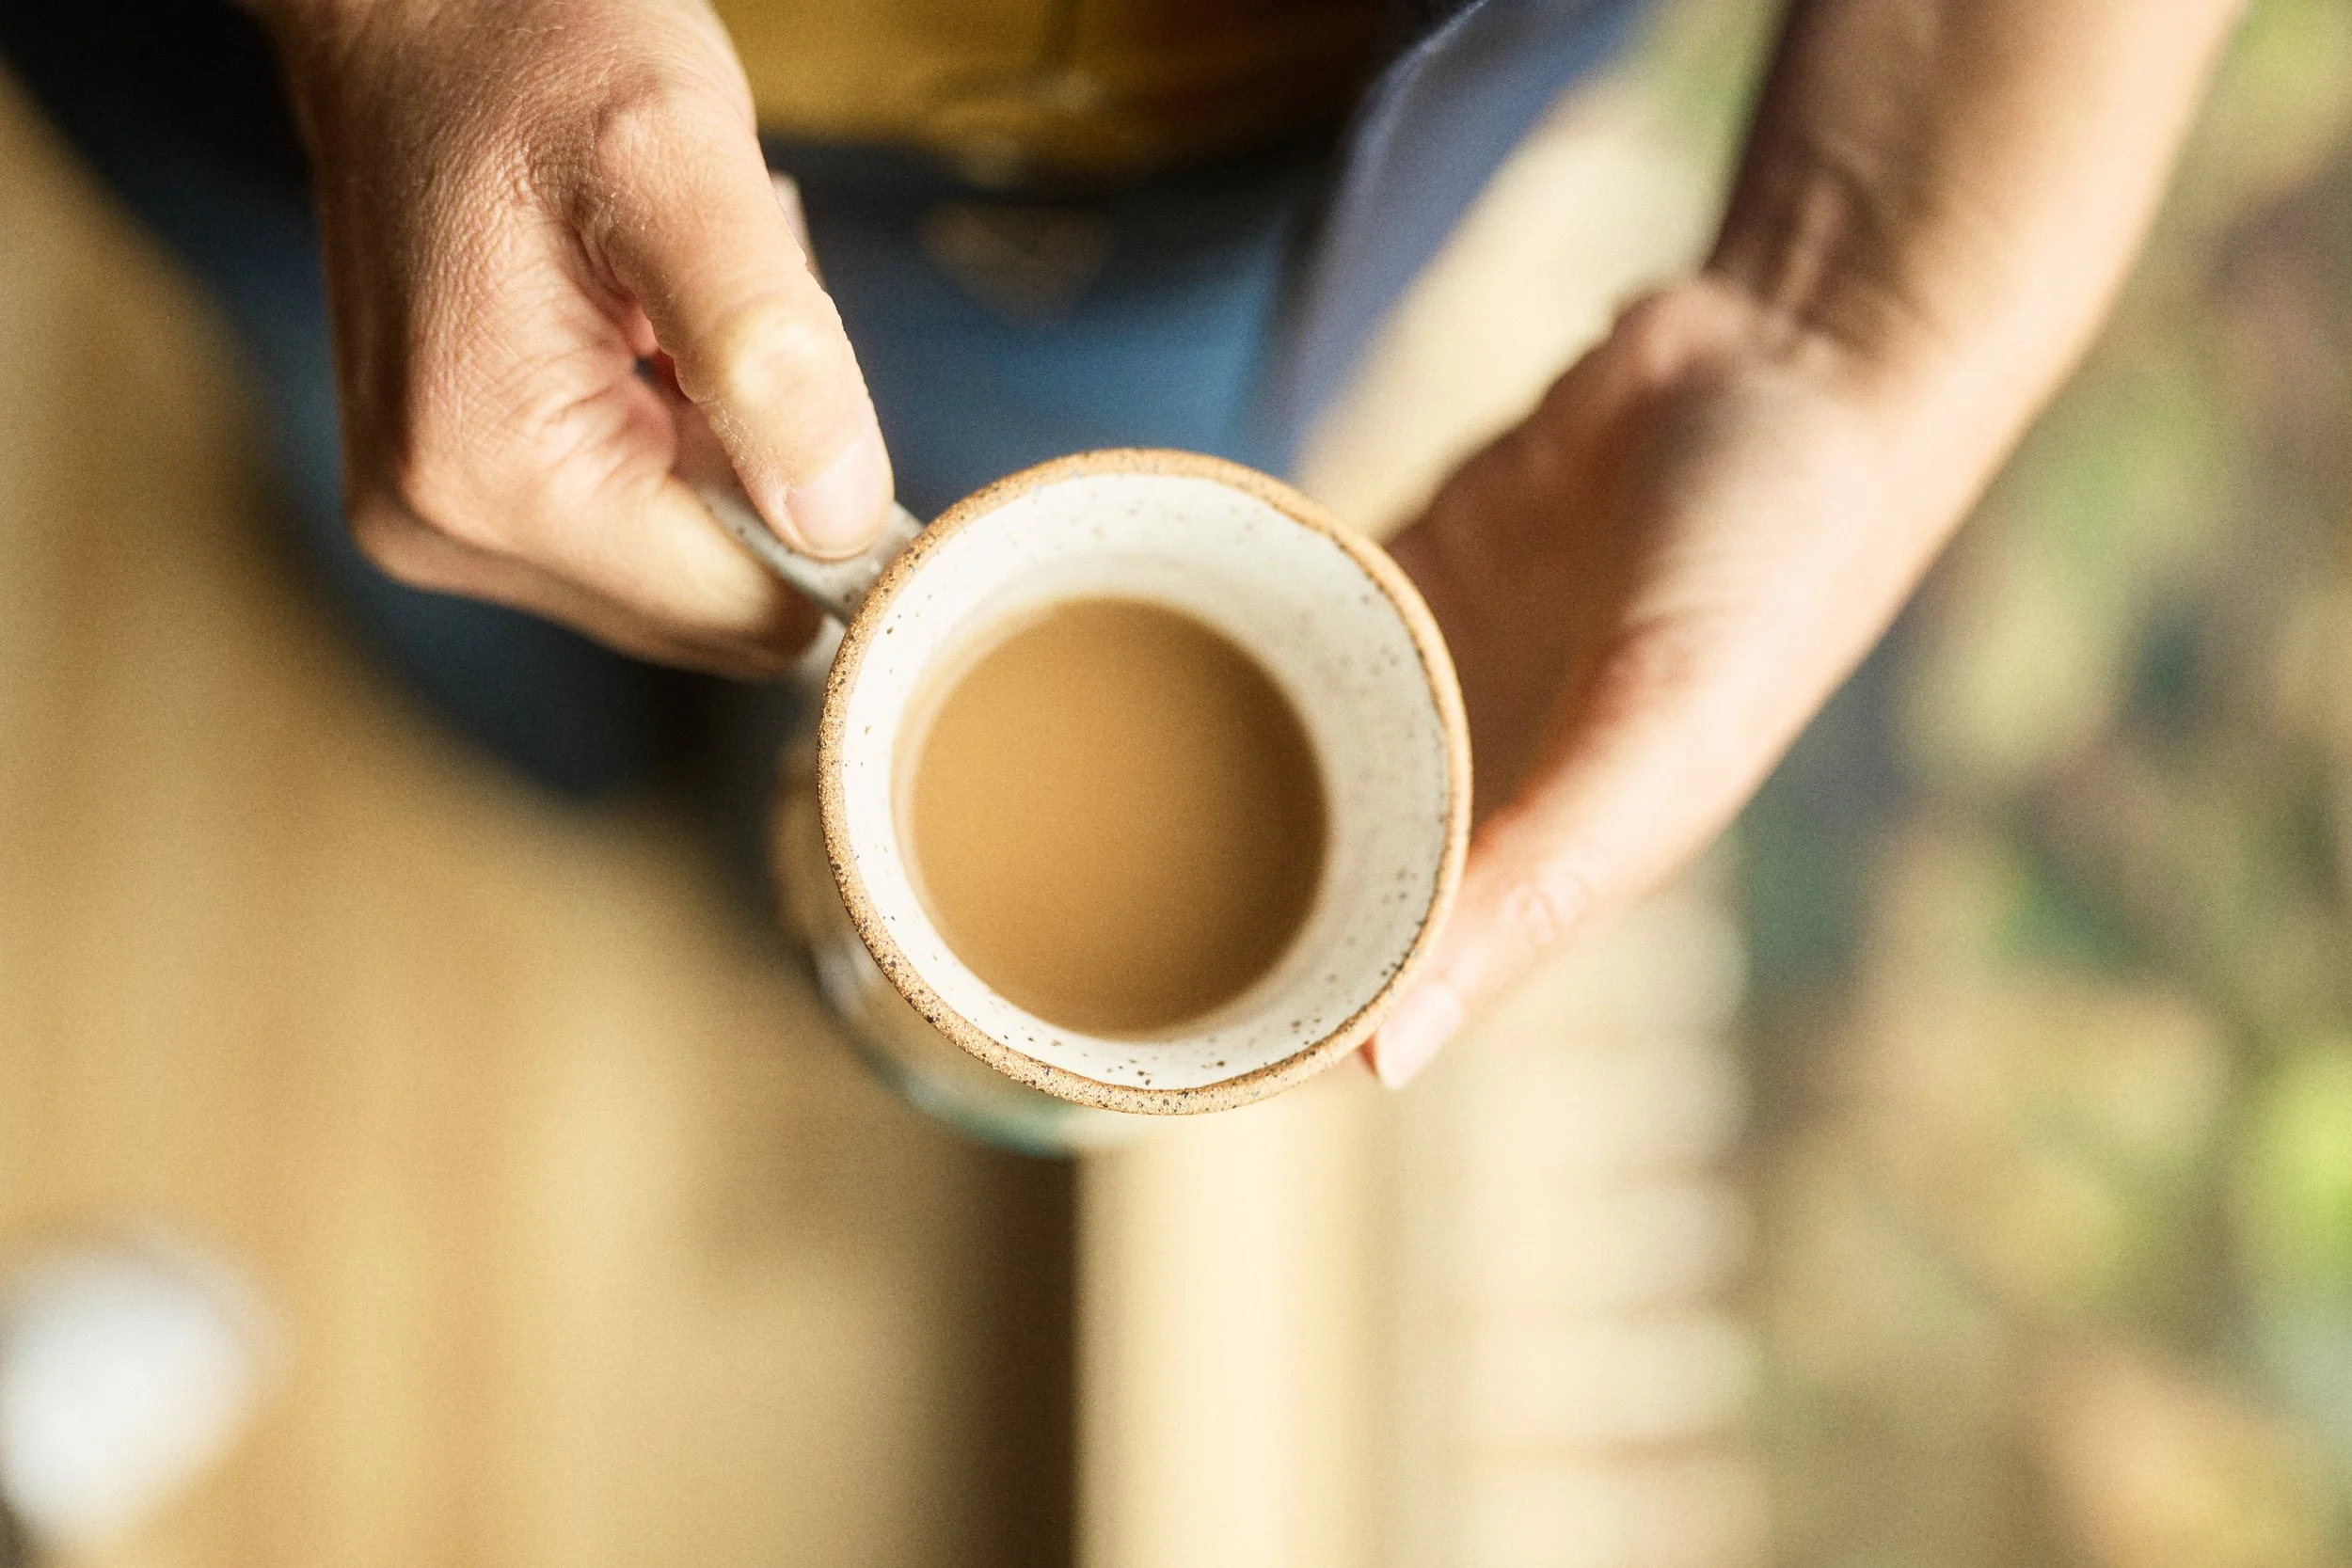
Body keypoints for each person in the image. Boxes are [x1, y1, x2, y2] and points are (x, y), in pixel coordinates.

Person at [0, 0, 2249, 1088]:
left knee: (738, 684)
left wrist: (1860, 324)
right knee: (391, 452)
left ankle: (667, 811)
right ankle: (538, 742)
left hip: (1213, 199)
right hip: (328, 77)